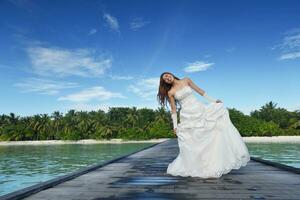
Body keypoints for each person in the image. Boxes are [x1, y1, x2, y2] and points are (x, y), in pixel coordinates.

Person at [157, 72, 250, 178]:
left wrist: (214, 100)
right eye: (165, 79)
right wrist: (175, 125)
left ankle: (211, 162)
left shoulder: (186, 80)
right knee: (193, 140)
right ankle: (197, 165)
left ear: (171, 74)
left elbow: (200, 91)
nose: (167, 78)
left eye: (167, 75)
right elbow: (173, 110)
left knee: (207, 134)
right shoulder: (171, 92)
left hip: (198, 109)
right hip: (187, 115)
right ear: (165, 82)